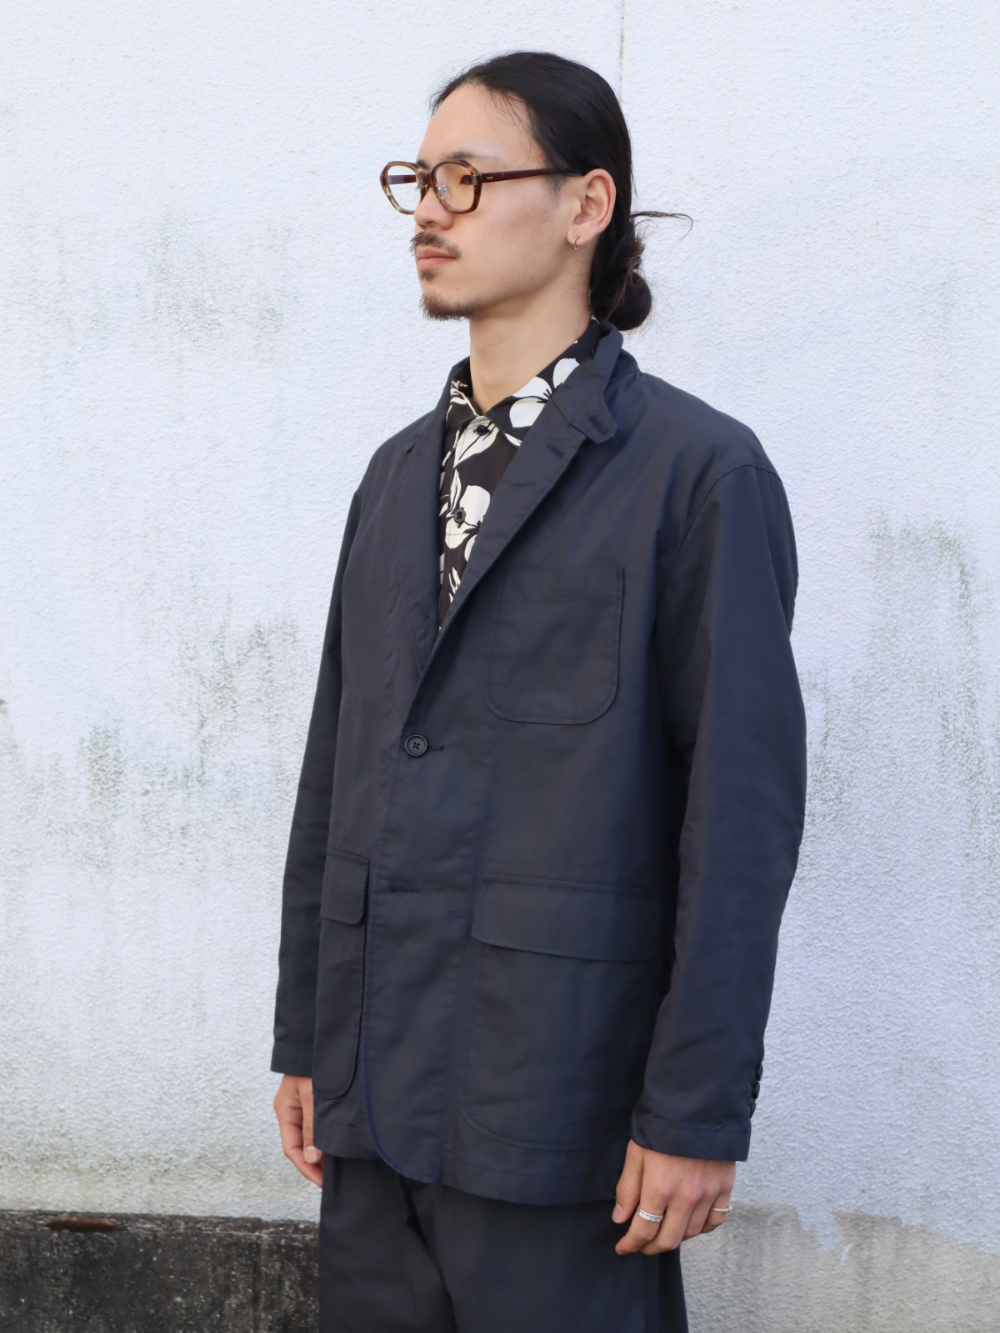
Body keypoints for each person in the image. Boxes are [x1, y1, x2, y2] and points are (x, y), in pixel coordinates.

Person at [271, 50, 806, 1333]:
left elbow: (738, 819)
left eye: (467, 177)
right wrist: (305, 1034)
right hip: (373, 1096)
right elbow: (335, 768)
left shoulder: (697, 474)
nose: (429, 209)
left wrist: (694, 1110)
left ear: (585, 204)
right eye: (417, 179)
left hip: (558, 1105)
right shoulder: (394, 478)